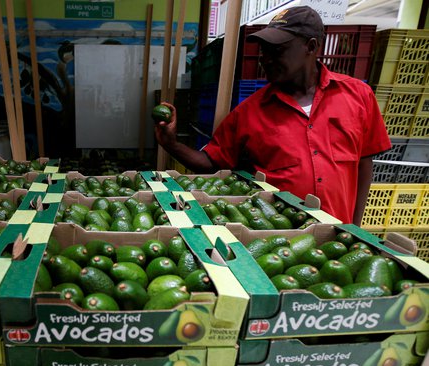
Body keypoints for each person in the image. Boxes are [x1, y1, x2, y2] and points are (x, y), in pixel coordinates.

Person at [155, 6, 391, 225]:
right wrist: (171, 144)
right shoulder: (249, 111)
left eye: (277, 50)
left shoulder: (358, 95)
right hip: (276, 237)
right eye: (263, 51)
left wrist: (356, 227)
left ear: (311, 46)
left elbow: (364, 162)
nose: (265, 59)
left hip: (340, 235)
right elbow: (211, 162)